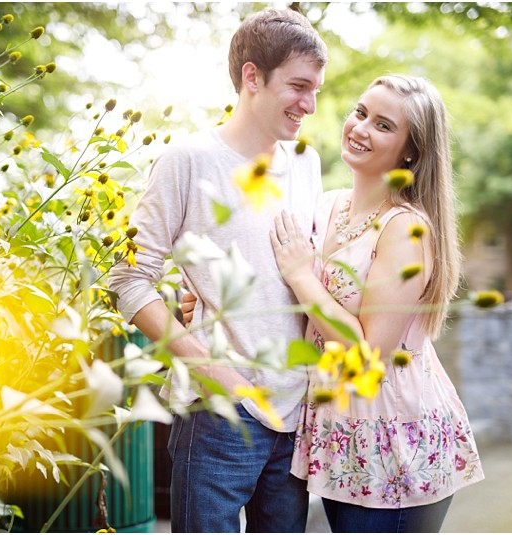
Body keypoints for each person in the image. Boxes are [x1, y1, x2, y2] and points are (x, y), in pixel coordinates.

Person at [108, 7, 327, 532]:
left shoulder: (306, 163)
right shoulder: (188, 159)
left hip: (296, 417)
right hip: (218, 419)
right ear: (252, 76)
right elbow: (127, 277)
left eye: (316, 89)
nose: (311, 105)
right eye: (299, 86)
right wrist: (216, 373)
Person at [273, 74, 483, 532]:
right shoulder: (327, 205)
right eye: (361, 112)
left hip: (393, 444)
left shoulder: (405, 229)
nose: (360, 128)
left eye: (384, 125)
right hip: (341, 438)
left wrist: (300, 275)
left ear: (411, 151)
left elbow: (371, 351)